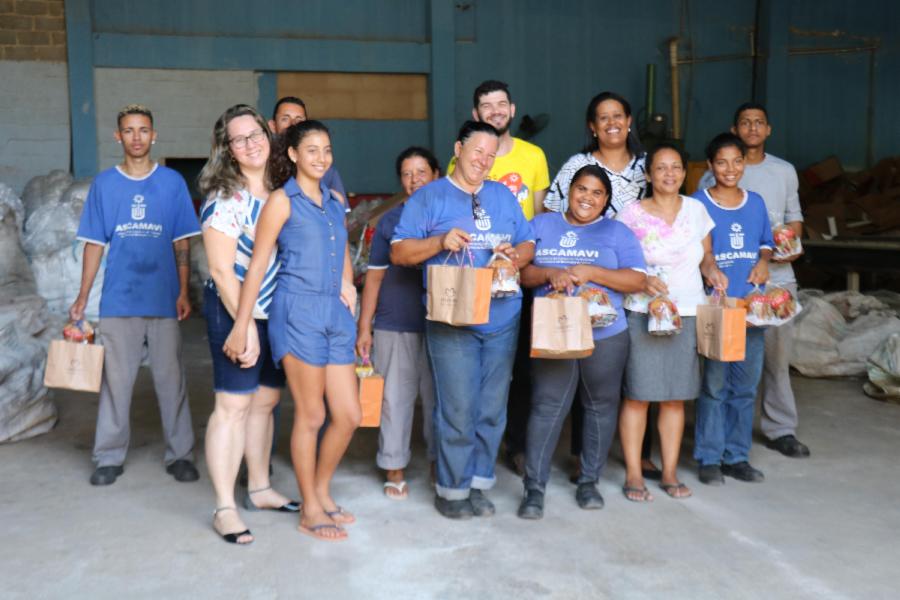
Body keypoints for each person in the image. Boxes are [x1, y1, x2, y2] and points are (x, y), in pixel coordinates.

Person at [223, 120, 360, 541]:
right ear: (295, 156)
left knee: (350, 415)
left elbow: (341, 251)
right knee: (312, 413)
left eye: (327, 150)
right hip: (297, 310)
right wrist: (242, 324)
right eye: (312, 150)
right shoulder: (282, 202)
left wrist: (349, 285)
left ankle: (319, 489)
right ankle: (310, 508)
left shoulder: (336, 202)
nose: (321, 157)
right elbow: (258, 264)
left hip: (334, 314)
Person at [391, 121, 535, 520]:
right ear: (458, 148)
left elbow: (528, 241)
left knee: (491, 407)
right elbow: (399, 252)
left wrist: (515, 256)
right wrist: (440, 241)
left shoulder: (502, 195)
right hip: (452, 319)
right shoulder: (429, 197)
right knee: (457, 408)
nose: (483, 162)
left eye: (491, 156)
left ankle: (479, 483)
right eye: (477, 153)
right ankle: (451, 488)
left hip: (502, 317)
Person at [70, 104, 200, 486]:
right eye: (129, 130)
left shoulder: (173, 183)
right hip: (119, 300)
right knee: (116, 382)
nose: (137, 137)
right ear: (118, 137)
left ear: (154, 135)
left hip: (162, 297)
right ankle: (108, 457)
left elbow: (182, 242)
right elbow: (93, 245)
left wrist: (182, 290)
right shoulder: (105, 185)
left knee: (171, 380)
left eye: (144, 130)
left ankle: (181, 455)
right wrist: (82, 297)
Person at [517, 165, 646, 519]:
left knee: (600, 405)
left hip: (605, 333)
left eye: (596, 193)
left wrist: (592, 273)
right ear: (569, 191)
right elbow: (522, 271)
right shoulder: (542, 225)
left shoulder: (617, 233)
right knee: (546, 406)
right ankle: (534, 488)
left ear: (606, 201)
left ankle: (589, 481)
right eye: (581, 189)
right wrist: (549, 273)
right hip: (554, 329)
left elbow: (637, 280)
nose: (587, 198)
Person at [197, 104, 299, 545]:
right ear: (227, 149)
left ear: (269, 134)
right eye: (238, 139)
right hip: (234, 307)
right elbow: (221, 272)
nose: (250, 143)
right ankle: (224, 507)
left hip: (275, 309)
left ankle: (259, 487)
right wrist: (243, 327)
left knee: (266, 401)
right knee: (234, 405)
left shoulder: (281, 188)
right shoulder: (225, 197)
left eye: (255, 133)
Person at [544, 91, 658, 481]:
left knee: (637, 371)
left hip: (642, 276)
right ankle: (581, 455)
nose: (611, 123)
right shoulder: (579, 165)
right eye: (602, 117)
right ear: (592, 126)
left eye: (618, 116)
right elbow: (553, 212)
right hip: (589, 279)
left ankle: (639, 453)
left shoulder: (648, 166)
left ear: (629, 122)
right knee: (584, 366)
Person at [449, 79, 550, 476]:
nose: (494, 111)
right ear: (476, 115)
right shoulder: (466, 153)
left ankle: (517, 444)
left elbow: (539, 217)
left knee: (522, 365)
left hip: (518, 273)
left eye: (501, 104)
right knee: (473, 365)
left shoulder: (534, 155)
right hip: (474, 273)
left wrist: (523, 260)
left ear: (512, 108)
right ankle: (467, 449)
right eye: (486, 106)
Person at [698, 102, 810, 459]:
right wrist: (709, 266)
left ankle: (760, 441)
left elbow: (784, 227)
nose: (752, 128)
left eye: (759, 122)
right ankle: (712, 451)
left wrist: (777, 254)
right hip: (722, 294)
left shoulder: (776, 180)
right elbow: (701, 242)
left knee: (761, 370)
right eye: (745, 123)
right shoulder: (702, 194)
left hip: (765, 290)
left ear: (768, 129)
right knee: (716, 377)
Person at [617, 143, 727, 501]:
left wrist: (715, 273)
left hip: (687, 312)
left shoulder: (697, 210)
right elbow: (618, 262)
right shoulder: (630, 214)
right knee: (637, 395)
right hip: (642, 310)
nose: (669, 174)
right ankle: (634, 472)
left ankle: (668, 471)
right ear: (648, 174)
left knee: (675, 398)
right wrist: (641, 280)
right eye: (660, 168)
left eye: (676, 167)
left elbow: (706, 256)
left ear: (684, 172)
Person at [356, 147, 440, 500]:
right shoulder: (390, 221)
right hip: (395, 321)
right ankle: (394, 466)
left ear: (436, 175)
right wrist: (365, 328)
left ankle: (441, 464)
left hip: (443, 323)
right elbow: (373, 278)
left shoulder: (451, 217)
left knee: (441, 401)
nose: (414, 180)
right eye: (407, 174)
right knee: (395, 399)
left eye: (421, 172)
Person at [693, 132, 774, 485]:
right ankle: (709, 457)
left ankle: (736, 456)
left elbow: (766, 243)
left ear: (745, 163)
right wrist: (710, 267)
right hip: (718, 309)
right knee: (714, 386)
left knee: (745, 386)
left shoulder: (755, 203)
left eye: (737, 161)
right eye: (721, 162)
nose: (730, 169)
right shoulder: (698, 204)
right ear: (710, 166)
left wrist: (765, 261)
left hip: (752, 308)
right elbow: (700, 252)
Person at [268, 96, 346, 199]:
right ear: (273, 126)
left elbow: (339, 213)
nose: (293, 124)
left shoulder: (325, 170)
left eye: (299, 120)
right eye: (285, 119)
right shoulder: (264, 167)